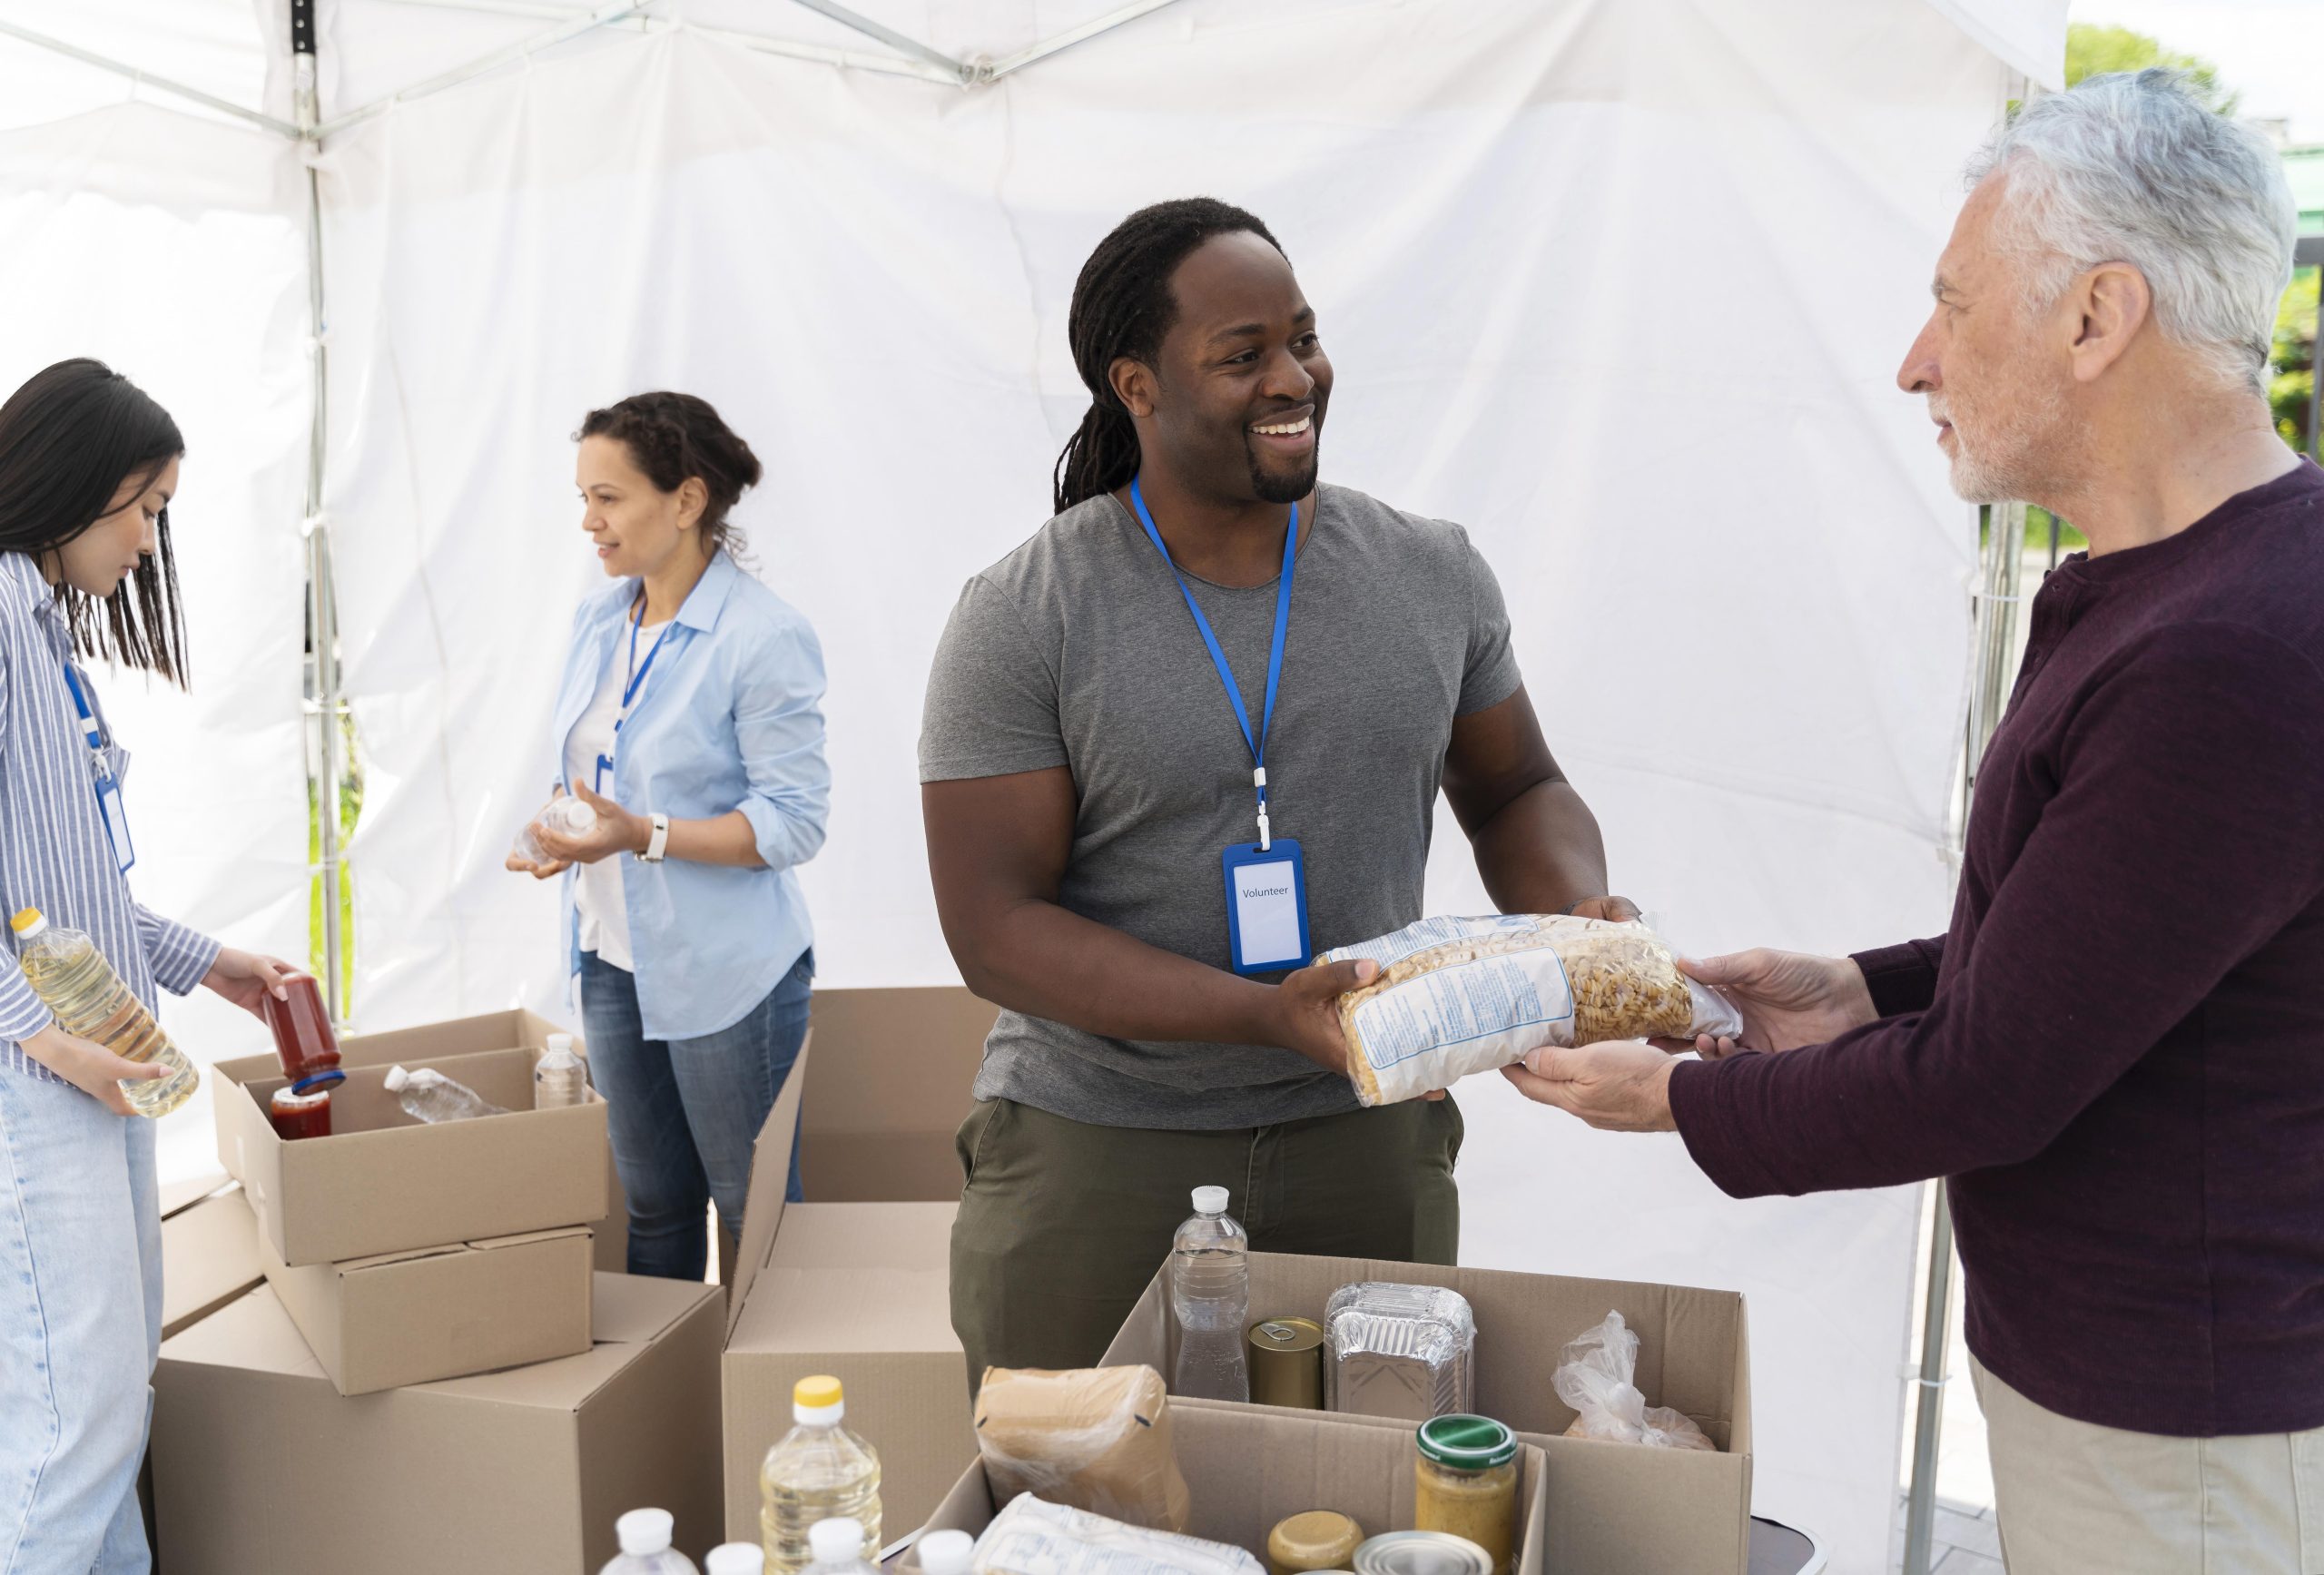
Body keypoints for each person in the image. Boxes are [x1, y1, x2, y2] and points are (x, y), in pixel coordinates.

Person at [1505, 72, 2321, 1573]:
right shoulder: (2199, 589)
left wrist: (1675, 1100)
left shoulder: (2234, 648)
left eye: (1955, 303)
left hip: (2178, 1426)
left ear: (2097, 318)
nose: (1913, 360)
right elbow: (2098, 950)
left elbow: (1998, 1080)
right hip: (2136, 1392)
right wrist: (1862, 987)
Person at [921, 198, 1635, 1385]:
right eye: (1243, 355)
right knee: (1077, 1510)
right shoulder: (1026, 613)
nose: (1293, 377)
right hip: (1099, 1143)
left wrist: (1577, 916)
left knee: (1362, 1497)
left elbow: (1519, 786)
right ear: (1135, 385)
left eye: (1302, 338)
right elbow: (995, 930)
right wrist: (1262, 1011)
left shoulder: (1429, 572)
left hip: (1366, 1126)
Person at [0, 359, 301, 1574]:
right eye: (143, 505)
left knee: (112, 1396)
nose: (147, 536)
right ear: (69, 486)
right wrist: (36, 1027)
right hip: (37, 1079)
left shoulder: (38, 626)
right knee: (79, 1426)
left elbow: (59, 892)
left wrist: (202, 957)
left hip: (90, 1060)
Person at [508, 391, 830, 1282]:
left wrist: (638, 834)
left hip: (728, 975)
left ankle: (772, 1416)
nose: (587, 521)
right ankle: (668, 1418)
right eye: (583, 496)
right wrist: (558, 830)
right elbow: (596, 767)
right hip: (612, 957)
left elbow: (793, 821)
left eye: (607, 497)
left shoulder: (762, 637)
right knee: (652, 1208)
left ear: (686, 500)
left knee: (751, 1215)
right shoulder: (599, 620)